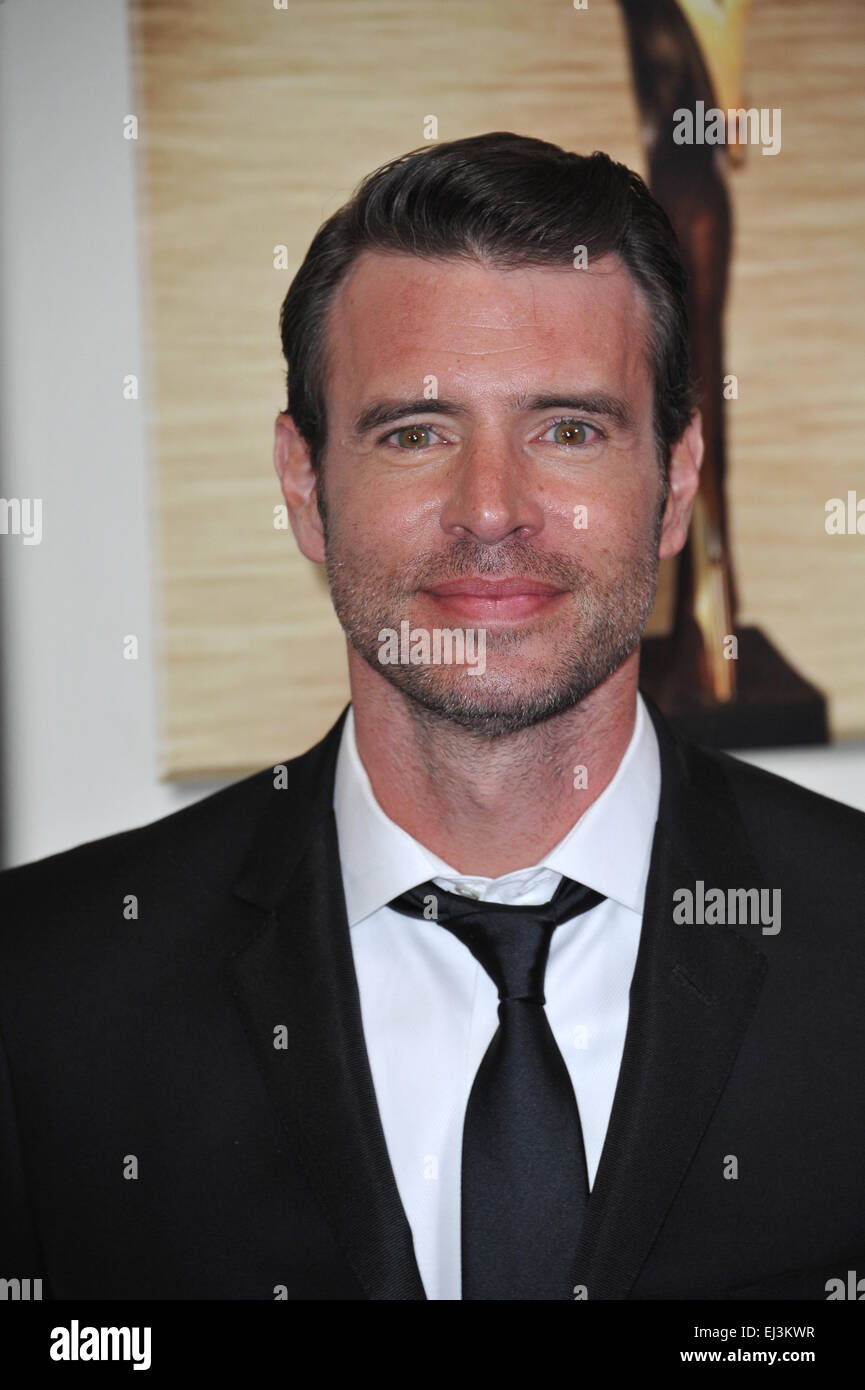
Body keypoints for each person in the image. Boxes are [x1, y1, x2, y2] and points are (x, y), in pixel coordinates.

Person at [1, 133, 863, 1302]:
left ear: (675, 484)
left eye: (568, 427)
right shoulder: (46, 986)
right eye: (416, 432)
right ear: (304, 489)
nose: (491, 510)